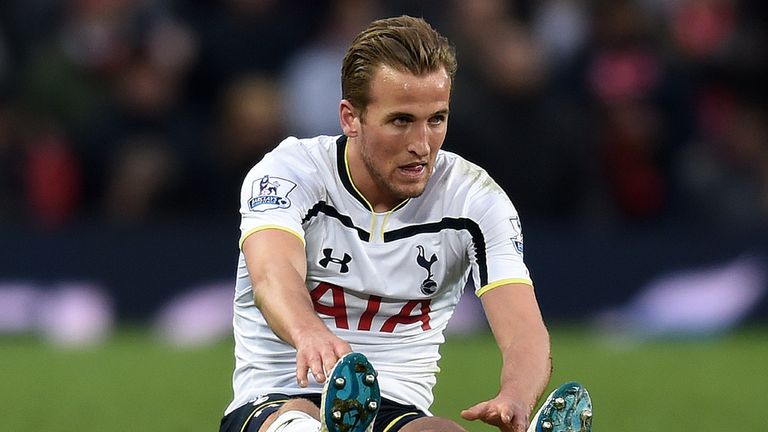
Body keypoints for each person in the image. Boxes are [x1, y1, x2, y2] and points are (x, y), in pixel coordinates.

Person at [219, 15, 592, 432]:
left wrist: (516, 397)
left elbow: (525, 331)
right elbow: (272, 274)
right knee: (301, 426)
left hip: (393, 408)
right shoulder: (290, 173)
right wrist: (309, 334)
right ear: (350, 118)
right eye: (401, 121)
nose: (421, 145)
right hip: (278, 396)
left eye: (436, 119)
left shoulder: (474, 199)